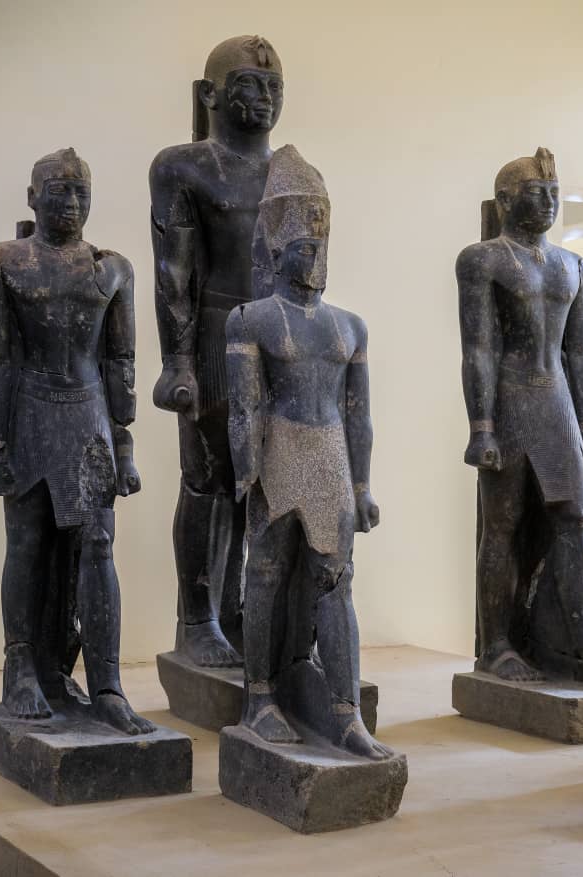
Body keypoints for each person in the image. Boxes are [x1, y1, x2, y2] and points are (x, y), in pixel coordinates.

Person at [0, 148, 153, 735]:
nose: (71, 202)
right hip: (31, 410)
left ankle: (107, 684)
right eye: (58, 190)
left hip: (89, 417)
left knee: (98, 546)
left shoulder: (112, 268)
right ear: (32, 197)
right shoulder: (3, 262)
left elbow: (120, 360)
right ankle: (22, 665)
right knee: (27, 543)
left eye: (81, 191)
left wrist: (123, 444)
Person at [225, 145, 390, 759]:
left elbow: (359, 414)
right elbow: (245, 406)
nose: (314, 257)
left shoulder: (350, 325)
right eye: (302, 246)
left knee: (336, 582)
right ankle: (259, 697)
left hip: (331, 458)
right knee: (265, 575)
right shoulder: (252, 320)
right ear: (276, 250)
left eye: (320, 246)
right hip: (280, 452)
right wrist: (246, 471)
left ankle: (345, 712)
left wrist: (362, 486)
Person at [149, 35, 285, 667]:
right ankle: (199, 617)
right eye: (248, 85)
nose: (265, 97)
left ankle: (248, 611)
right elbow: (173, 273)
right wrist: (177, 362)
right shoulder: (183, 167)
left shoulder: (293, 172)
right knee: (209, 481)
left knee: (270, 481)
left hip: (279, 341)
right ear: (211, 95)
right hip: (215, 336)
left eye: (274, 87)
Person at [456, 147, 583, 684]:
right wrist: (482, 427)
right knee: (503, 525)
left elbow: (580, 353)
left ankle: (579, 647)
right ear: (505, 200)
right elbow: (479, 348)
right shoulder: (484, 260)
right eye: (537, 193)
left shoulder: (573, 265)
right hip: (511, 399)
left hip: (557, 403)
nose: (548, 203)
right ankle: (497, 645)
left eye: (554, 194)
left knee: (573, 521)